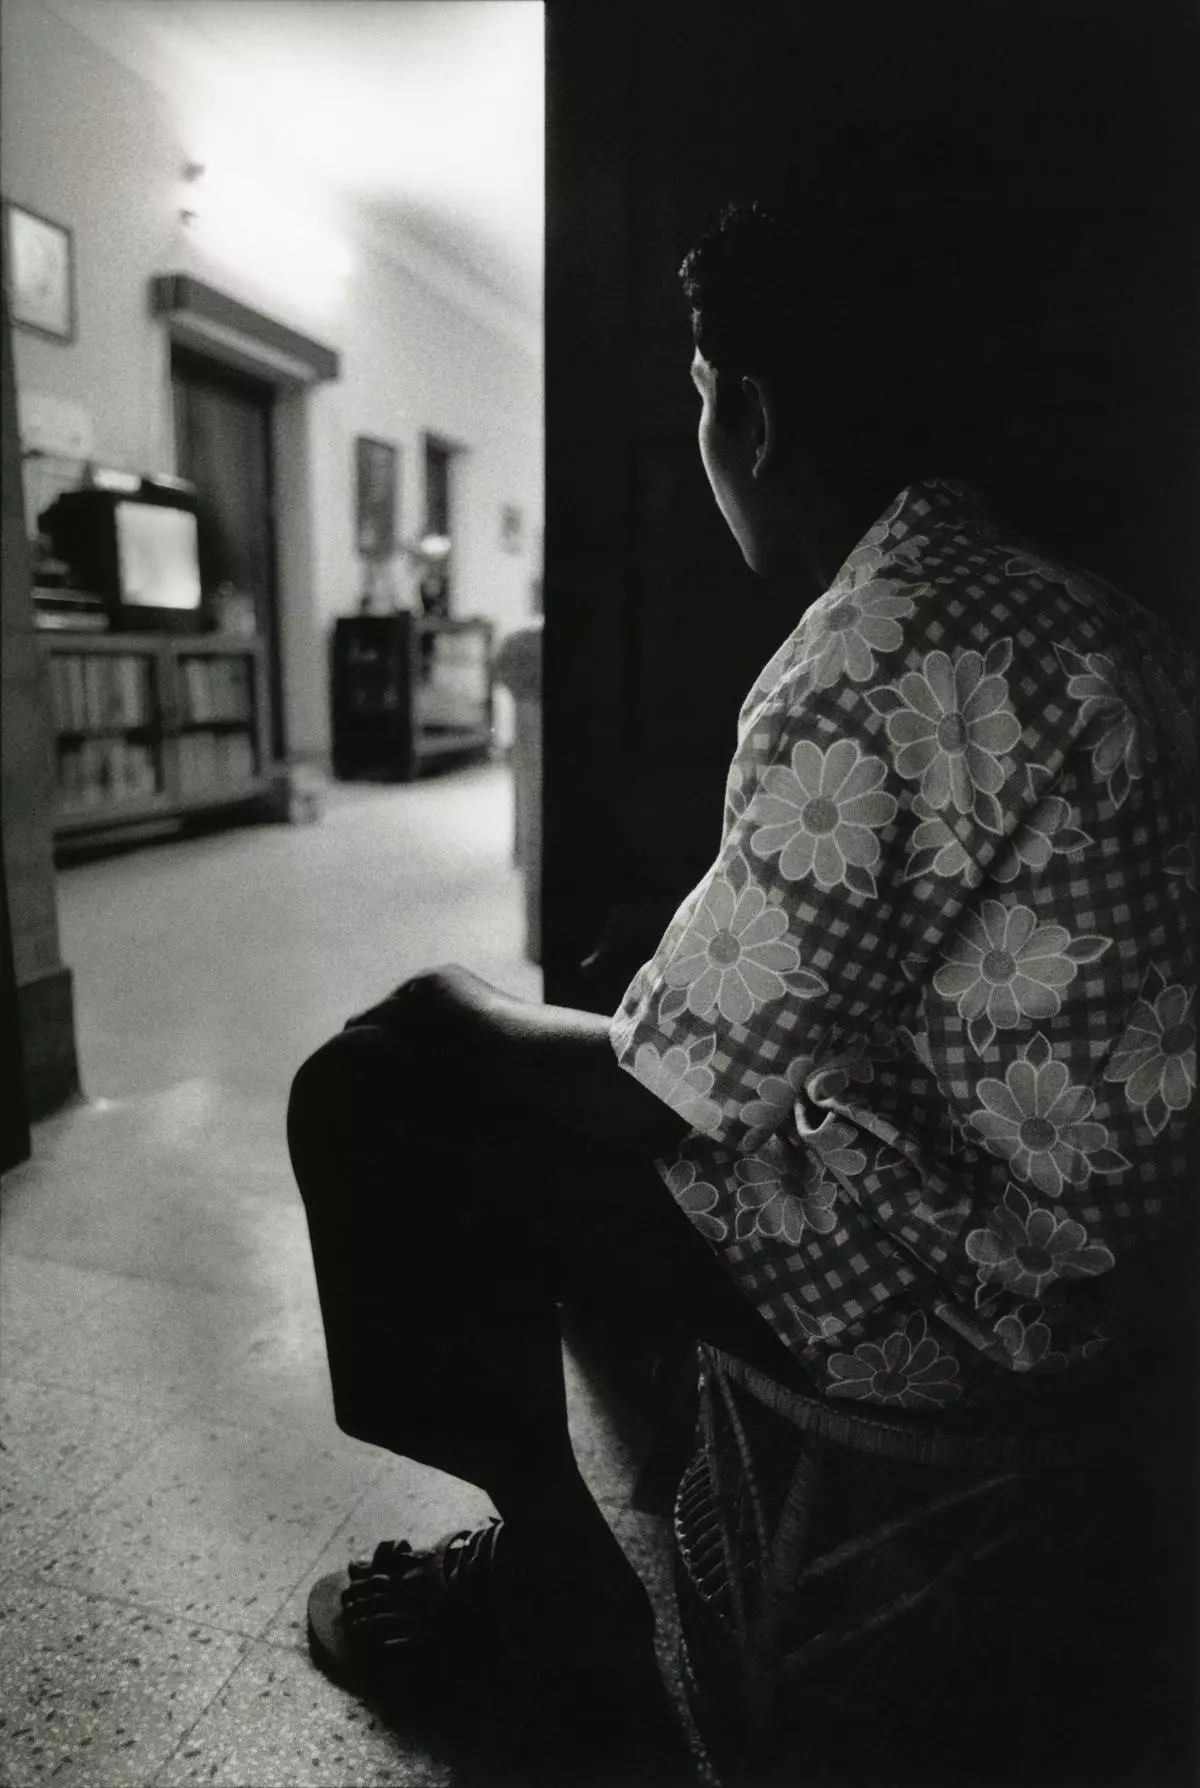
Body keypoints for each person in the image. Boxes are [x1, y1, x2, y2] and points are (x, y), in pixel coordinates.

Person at [288, 197, 1196, 1783]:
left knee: (385, 1087)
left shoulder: (875, 646)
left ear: (752, 418)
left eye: (703, 405)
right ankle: (604, 1485)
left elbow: (666, 1084)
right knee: (586, 987)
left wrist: (452, 1012)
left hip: (995, 1292)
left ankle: (550, 1577)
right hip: (1133, 1243)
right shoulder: (1082, 612)